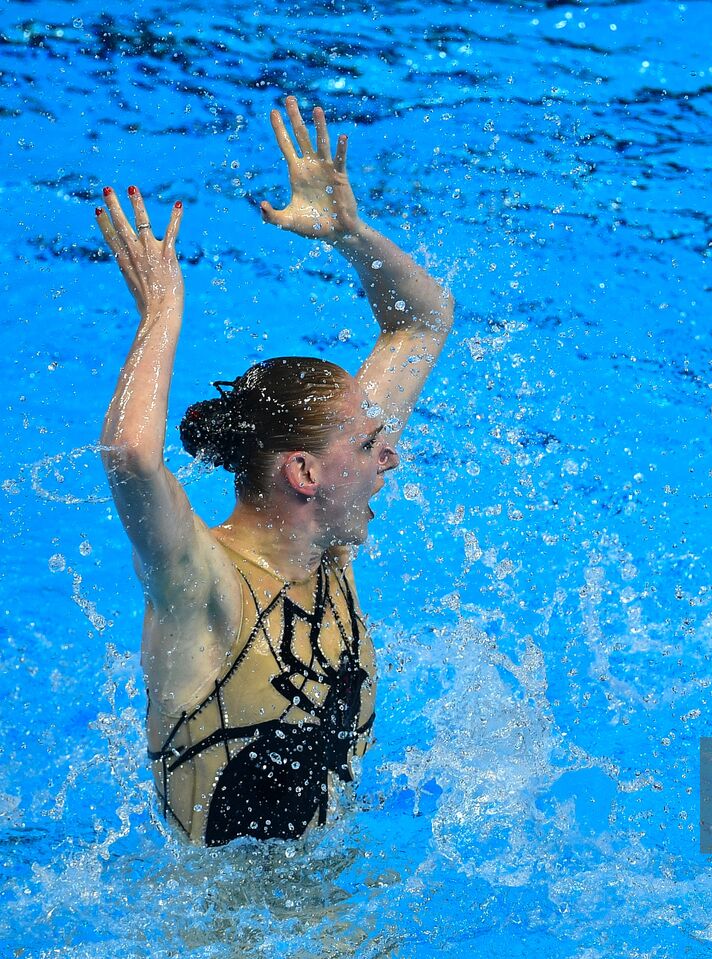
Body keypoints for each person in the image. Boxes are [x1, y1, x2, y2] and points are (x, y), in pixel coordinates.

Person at [96, 96, 454, 845]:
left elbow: (422, 322)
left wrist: (353, 235)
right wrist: (162, 310)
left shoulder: (331, 547)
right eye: (365, 446)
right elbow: (131, 457)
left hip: (338, 903)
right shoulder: (204, 585)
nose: (390, 454)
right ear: (304, 473)